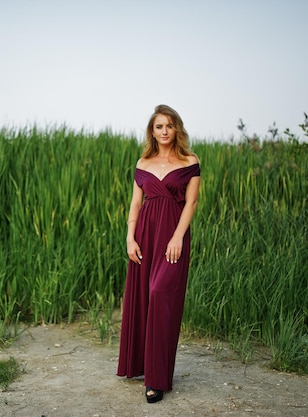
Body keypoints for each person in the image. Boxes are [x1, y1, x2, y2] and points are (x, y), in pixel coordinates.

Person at [117, 104, 200, 403]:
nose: (164, 131)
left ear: (176, 128)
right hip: (145, 237)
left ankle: (157, 379)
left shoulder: (190, 161)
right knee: (143, 298)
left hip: (173, 239)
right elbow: (135, 204)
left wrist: (178, 236)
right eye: (158, 127)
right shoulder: (143, 162)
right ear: (152, 131)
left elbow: (190, 204)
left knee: (159, 294)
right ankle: (143, 366)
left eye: (168, 126)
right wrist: (129, 237)